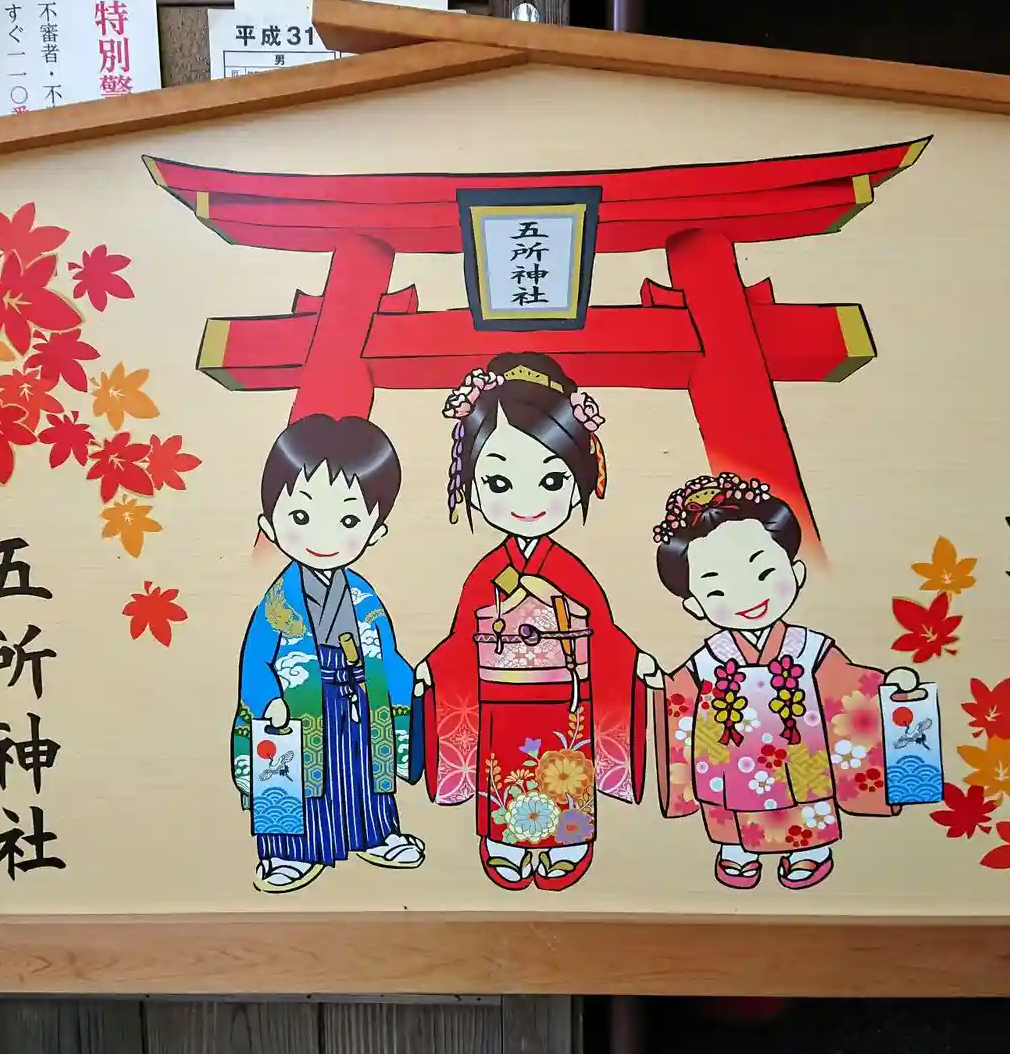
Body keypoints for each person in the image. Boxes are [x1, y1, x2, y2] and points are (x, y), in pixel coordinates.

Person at [415, 352, 658, 891]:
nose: (527, 502)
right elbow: (462, 638)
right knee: (504, 770)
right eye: (499, 484)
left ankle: (566, 843)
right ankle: (504, 842)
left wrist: (631, 659)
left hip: (565, 700)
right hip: (500, 702)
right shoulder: (488, 572)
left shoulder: (570, 570)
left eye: (551, 480)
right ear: (471, 483)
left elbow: (603, 633)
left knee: (563, 770)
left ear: (579, 480)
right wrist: (438, 666)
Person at [651, 472, 918, 890]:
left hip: (798, 750)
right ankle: (736, 847)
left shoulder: (806, 646)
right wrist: (658, 683)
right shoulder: (711, 656)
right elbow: (679, 695)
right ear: (695, 606)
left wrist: (887, 687)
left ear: (796, 572)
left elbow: (847, 684)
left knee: (805, 794)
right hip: (732, 752)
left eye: (763, 574)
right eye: (718, 590)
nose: (747, 597)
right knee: (730, 797)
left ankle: (808, 848)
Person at [234, 414, 424, 894]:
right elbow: (256, 660)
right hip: (295, 704)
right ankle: (285, 853)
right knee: (288, 773)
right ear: (270, 523)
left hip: (358, 697)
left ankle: (374, 833)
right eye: (301, 518)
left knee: (360, 772)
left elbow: (385, 653)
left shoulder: (363, 596)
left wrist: (409, 684)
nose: (324, 537)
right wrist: (268, 698)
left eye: (348, 521)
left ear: (375, 531)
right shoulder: (278, 603)